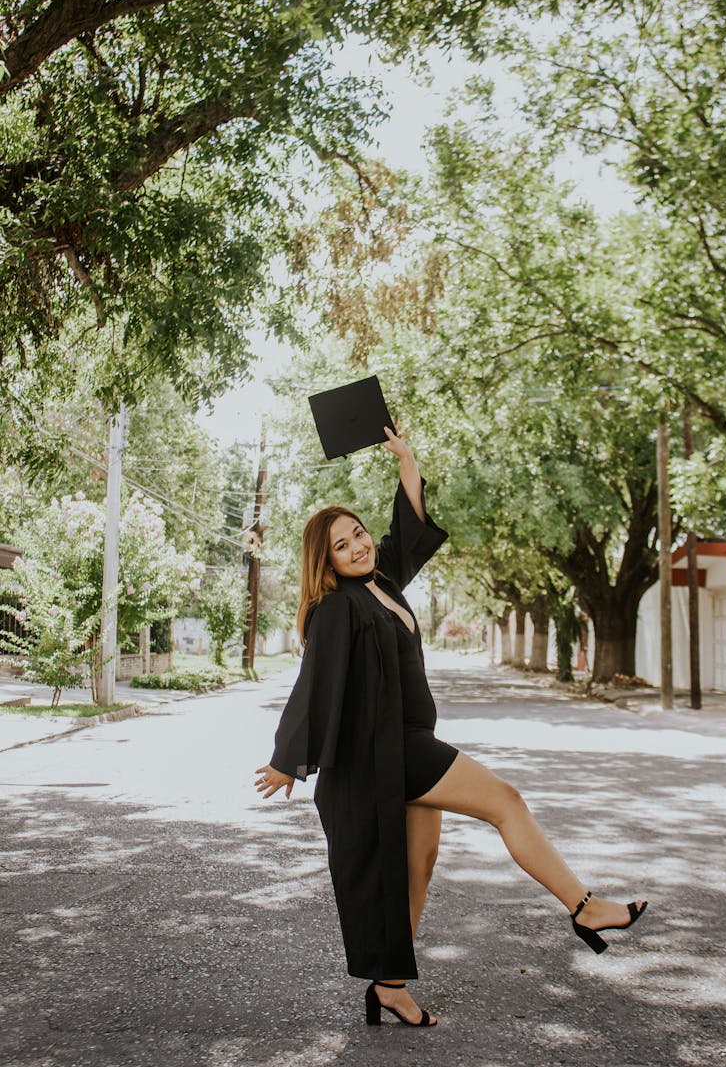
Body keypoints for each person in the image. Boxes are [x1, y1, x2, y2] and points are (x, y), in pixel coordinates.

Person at [256, 427, 647, 1028]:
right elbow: (315, 684)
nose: (358, 546)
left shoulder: (381, 582)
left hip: (407, 743)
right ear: (325, 560)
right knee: (505, 802)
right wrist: (289, 758)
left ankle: (390, 984)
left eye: (358, 533)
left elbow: (406, 534)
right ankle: (585, 906)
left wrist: (408, 461)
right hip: (392, 750)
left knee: (420, 861)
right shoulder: (338, 609)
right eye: (342, 545)